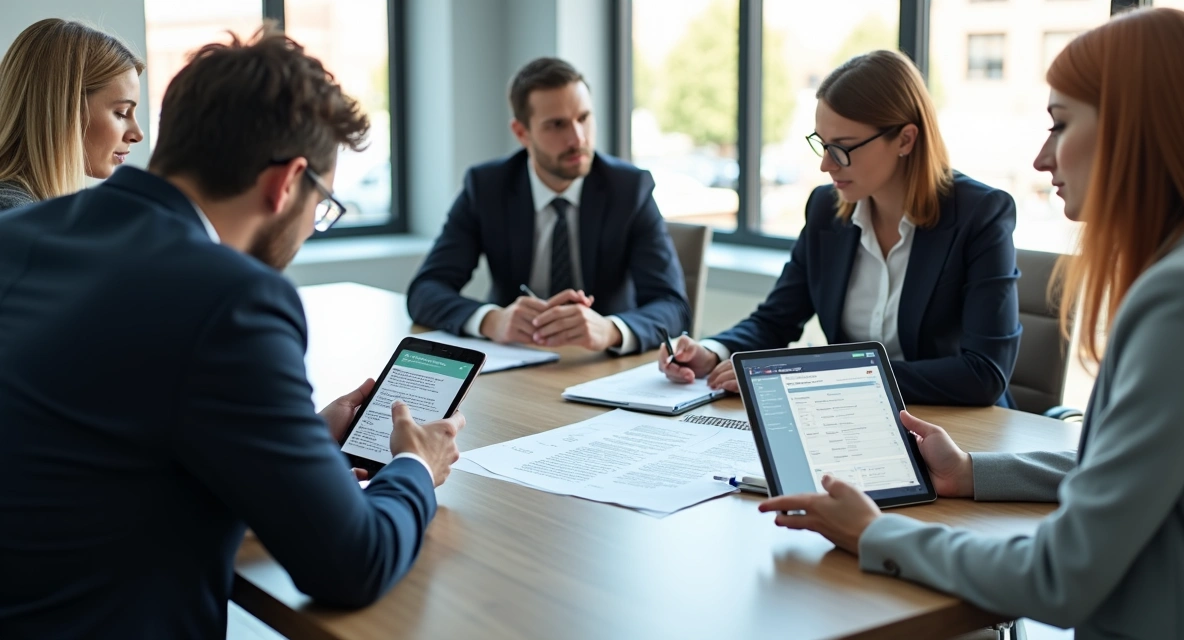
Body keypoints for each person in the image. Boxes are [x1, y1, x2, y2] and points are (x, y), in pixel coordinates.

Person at [756, 8, 1184, 637]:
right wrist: (974, 473)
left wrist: (875, 533)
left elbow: (1061, 574)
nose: (1040, 158)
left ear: (1135, 132)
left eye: (1060, 125)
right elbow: (1122, 471)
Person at [0, 30, 462, 638]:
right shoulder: (235, 299)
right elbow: (351, 563)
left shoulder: (23, 231)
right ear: (286, 182)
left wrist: (296, 443)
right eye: (321, 204)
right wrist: (416, 469)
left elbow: (100, 443)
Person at [660, 50, 1021, 407]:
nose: (825, 165)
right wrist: (712, 350)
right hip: (848, 420)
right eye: (821, 143)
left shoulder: (979, 215)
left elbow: (983, 373)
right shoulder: (826, 211)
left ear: (905, 140)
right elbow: (776, 319)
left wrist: (809, 374)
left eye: (843, 148)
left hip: (959, 435)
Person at [407, 57, 690, 354]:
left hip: (602, 364)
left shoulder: (629, 189)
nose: (577, 138)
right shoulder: (487, 187)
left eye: (583, 118)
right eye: (557, 125)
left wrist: (610, 329)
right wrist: (492, 320)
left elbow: (673, 306)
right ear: (521, 133)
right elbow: (425, 290)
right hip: (515, 362)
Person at [0, 18, 145, 210]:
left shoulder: (37, 211)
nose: (137, 134)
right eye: (121, 113)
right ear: (66, 108)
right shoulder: (13, 215)